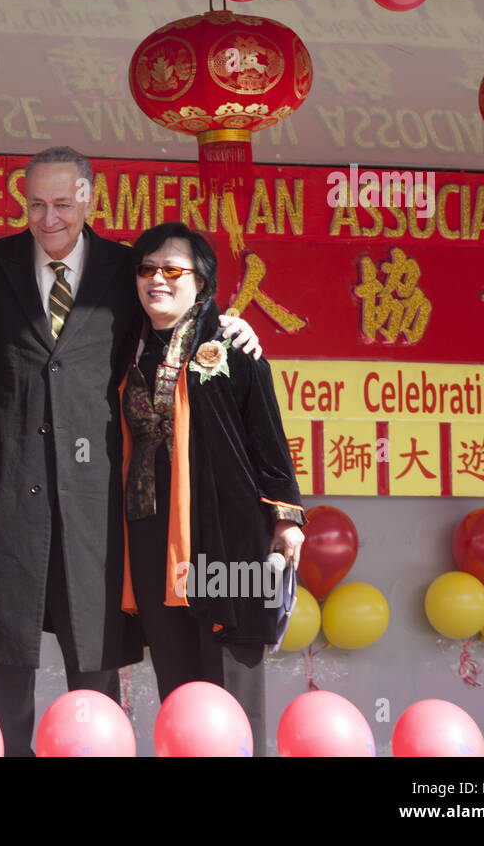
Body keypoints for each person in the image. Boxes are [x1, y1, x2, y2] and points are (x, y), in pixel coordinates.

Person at [0, 146, 265, 755]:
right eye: (36, 204)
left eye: (63, 204)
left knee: (92, 675)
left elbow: (179, 323)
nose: (49, 218)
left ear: (90, 199)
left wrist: (230, 325)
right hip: (7, 497)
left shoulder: (126, 272)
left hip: (99, 505)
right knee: (4, 667)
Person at [119, 222, 305, 752]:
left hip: (228, 534)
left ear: (201, 281)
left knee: (231, 678)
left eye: (173, 269)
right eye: (147, 269)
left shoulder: (230, 344)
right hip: (153, 532)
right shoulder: (127, 348)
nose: (158, 279)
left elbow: (268, 438)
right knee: (177, 680)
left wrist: (287, 518)